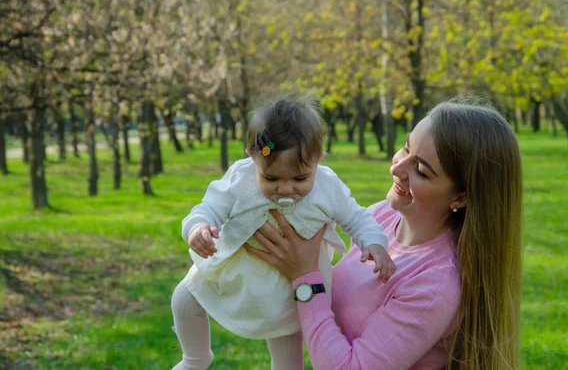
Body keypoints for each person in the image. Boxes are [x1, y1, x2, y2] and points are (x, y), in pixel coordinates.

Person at [246, 101, 523, 370]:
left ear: (460, 197)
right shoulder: (382, 217)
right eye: (406, 148)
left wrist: (305, 279)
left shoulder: (435, 285)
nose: (396, 168)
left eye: (422, 171)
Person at [171, 95, 396, 370]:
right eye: (272, 178)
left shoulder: (327, 186)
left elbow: (357, 217)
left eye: (300, 179)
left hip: (289, 287)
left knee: (287, 352)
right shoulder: (239, 179)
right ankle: (194, 359)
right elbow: (208, 207)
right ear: (252, 157)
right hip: (238, 269)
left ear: (318, 159)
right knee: (184, 298)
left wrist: (373, 242)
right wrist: (198, 227)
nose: (286, 189)